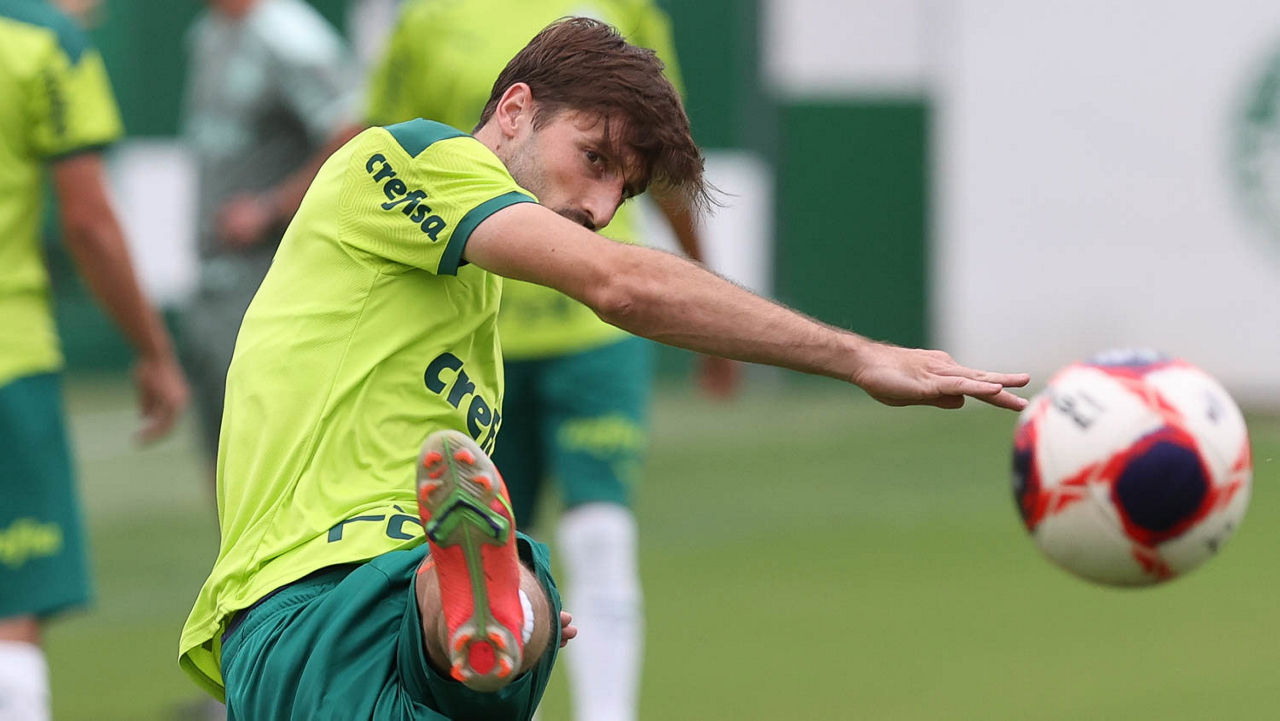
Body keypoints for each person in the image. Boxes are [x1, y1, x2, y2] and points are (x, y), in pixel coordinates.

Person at [179, 18, 1028, 720]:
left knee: (532, 575)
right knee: (519, 571)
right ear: (516, 109)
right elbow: (621, 283)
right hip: (318, 597)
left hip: (380, 619)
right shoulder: (409, 158)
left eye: (624, 193)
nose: (600, 208)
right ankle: (495, 606)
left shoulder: (464, 309)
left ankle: (500, 612)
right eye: (594, 159)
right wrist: (861, 355)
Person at [363, 3, 735, 718]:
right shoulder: (427, 19)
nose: (602, 207)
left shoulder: (626, 13)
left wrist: (705, 298)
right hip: (478, 337)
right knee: (487, 561)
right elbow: (386, 148)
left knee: (601, 534)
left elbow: (662, 160)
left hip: (595, 332)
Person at [0, 1, 189, 718]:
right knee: (11, 610)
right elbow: (88, 223)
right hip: (9, 363)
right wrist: (153, 350)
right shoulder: (43, 42)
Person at [179, 0, 360, 476]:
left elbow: (353, 131)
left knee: (270, 447)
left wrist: (271, 207)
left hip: (271, 276)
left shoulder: (292, 36)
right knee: (224, 447)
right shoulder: (209, 32)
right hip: (217, 277)